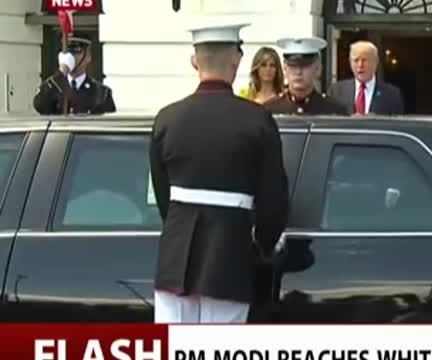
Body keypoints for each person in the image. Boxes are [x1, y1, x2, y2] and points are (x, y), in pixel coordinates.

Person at [149, 22, 289, 323]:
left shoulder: (166, 119)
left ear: (194, 61)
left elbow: (163, 197)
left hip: (174, 260)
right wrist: (264, 246)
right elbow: (273, 201)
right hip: (230, 259)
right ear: (236, 60)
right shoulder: (257, 120)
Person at [263, 37, 348, 115]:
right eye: (293, 66)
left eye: (304, 66)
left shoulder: (334, 110)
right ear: (285, 69)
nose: (298, 72)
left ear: (317, 69)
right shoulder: (268, 109)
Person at [33, 36, 116, 115]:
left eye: (76, 51)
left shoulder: (101, 93)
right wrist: (61, 73)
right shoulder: (55, 86)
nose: (70, 57)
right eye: (67, 52)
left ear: (88, 56)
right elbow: (39, 106)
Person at [328, 40, 404, 115]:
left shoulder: (391, 94)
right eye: (356, 60)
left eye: (364, 60)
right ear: (350, 63)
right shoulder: (336, 91)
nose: (360, 65)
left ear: (376, 62)